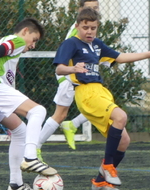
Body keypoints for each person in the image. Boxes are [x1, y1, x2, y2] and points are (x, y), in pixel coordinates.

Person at [53, 8, 150, 190]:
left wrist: (149, 54)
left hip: (100, 91)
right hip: (86, 93)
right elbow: (59, 68)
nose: (89, 31)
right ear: (77, 27)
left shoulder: (97, 45)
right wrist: (73, 69)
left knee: (124, 141)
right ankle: (107, 166)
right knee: (121, 117)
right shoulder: (71, 44)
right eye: (85, 27)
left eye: (93, 27)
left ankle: (100, 180)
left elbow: (120, 57)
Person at [0, 18, 57, 190]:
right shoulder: (17, 40)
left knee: (20, 130)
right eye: (34, 40)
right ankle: (30, 158)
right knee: (38, 111)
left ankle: (16, 184)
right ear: (25, 32)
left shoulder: (9, 60)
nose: (33, 45)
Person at [37, 0, 99, 160]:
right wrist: (72, 71)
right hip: (70, 75)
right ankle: (34, 148)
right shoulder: (77, 31)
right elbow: (67, 55)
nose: (93, 11)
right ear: (80, 10)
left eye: (96, 8)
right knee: (60, 115)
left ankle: (73, 125)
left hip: (80, 75)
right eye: (89, 8)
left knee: (99, 104)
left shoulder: (91, 29)